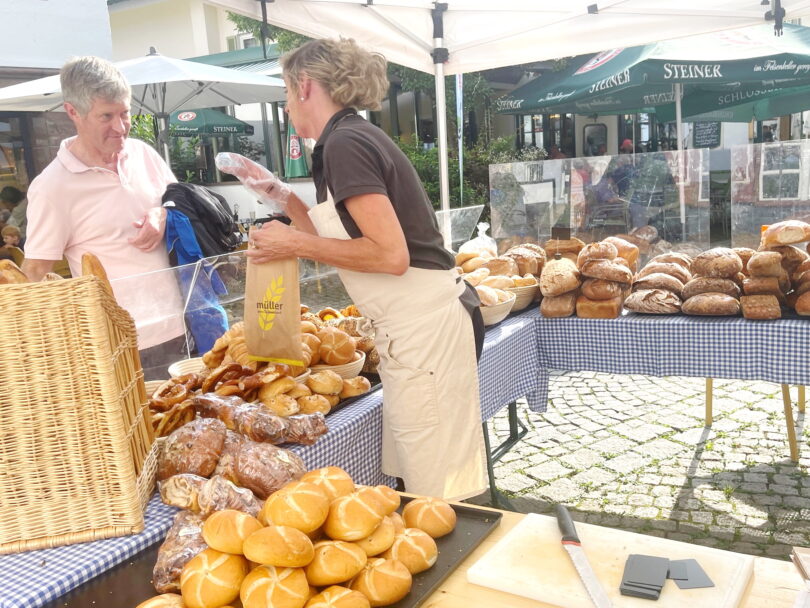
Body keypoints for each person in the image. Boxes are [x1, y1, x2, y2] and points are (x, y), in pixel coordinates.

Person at [231, 38, 486, 500]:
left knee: (438, 489)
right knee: (422, 474)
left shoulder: (346, 144)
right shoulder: (344, 139)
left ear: (305, 85)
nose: (286, 106)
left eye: (286, 92)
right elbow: (341, 240)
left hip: (423, 329)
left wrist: (292, 241)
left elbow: (390, 255)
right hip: (411, 331)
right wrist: (280, 195)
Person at [22, 56, 186, 379]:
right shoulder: (52, 187)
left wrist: (163, 213)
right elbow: (34, 274)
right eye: (106, 116)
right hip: (119, 345)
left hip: (182, 325)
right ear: (73, 112)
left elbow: (182, 203)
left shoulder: (143, 154)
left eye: (125, 113)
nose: (120, 127)